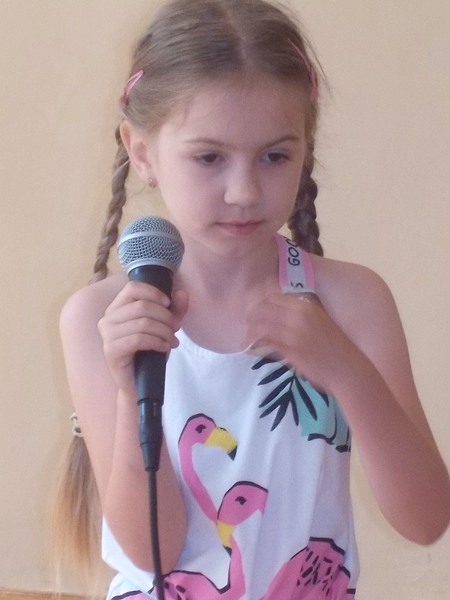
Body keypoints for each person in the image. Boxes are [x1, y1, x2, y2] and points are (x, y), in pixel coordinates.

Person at [55, 0, 450, 598]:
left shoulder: (352, 301)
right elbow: (152, 551)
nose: (243, 191)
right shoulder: (98, 319)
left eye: (274, 156)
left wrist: (346, 369)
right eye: (209, 157)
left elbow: (426, 520)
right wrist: (129, 389)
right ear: (141, 152)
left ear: (305, 149)